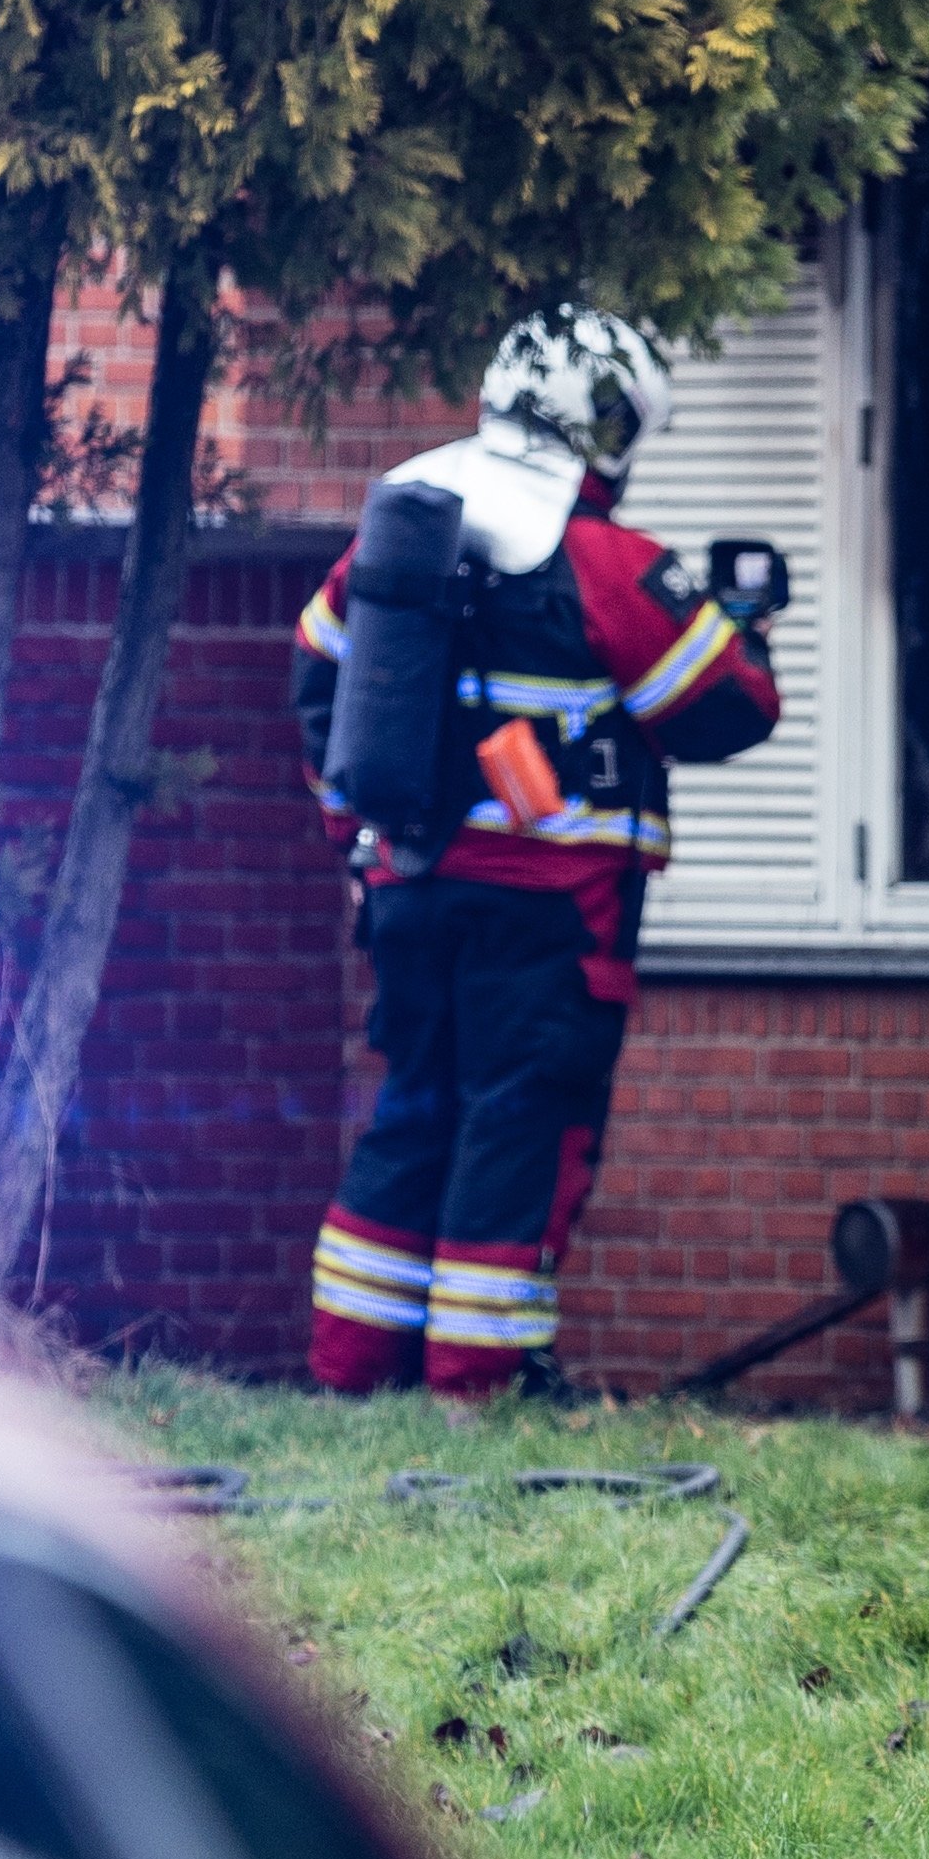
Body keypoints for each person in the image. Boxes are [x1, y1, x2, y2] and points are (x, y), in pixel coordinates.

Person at [290, 310, 782, 1399]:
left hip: (407, 892)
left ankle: (351, 1374)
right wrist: (745, 626)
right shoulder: (603, 562)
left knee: (415, 1107)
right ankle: (480, 1381)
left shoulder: (399, 536)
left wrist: (360, 841)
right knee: (522, 1122)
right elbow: (729, 709)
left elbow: (318, 672)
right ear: (604, 422)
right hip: (552, 914)